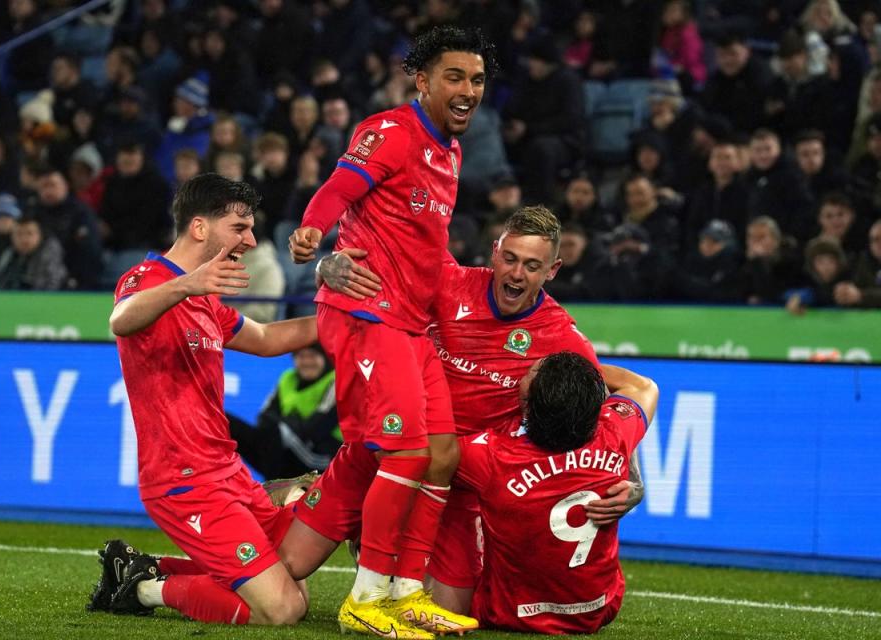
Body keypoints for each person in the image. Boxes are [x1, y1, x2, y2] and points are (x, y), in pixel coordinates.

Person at [283, 206, 644, 615]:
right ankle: (296, 496)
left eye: (531, 265)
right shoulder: (445, 280)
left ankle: (380, 536)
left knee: (446, 611)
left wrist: (632, 481)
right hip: (386, 452)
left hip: (456, 485)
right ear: (494, 252)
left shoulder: (562, 339)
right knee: (291, 566)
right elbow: (362, 264)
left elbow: (594, 413)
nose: (516, 274)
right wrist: (327, 267)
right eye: (509, 259)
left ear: (552, 270)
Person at [287, 25, 497, 638]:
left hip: (411, 323)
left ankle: (407, 592)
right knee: (404, 451)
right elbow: (341, 187)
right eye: (454, 77)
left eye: (477, 80)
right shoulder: (391, 132)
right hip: (366, 313)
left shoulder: (450, 152)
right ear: (423, 80)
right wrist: (312, 232)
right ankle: (366, 596)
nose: (467, 90)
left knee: (441, 455)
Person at [86, 174, 317, 627]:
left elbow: (269, 338)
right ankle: (144, 590)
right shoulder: (147, 279)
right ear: (198, 228)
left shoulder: (207, 299)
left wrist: (353, 318)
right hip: (182, 480)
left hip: (227, 474)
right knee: (282, 609)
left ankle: (142, 569)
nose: (250, 240)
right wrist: (185, 285)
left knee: (294, 578)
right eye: (239, 227)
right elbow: (120, 320)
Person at [457, 354, 657, 634]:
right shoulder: (613, 433)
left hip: (504, 614)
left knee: (452, 503)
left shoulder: (491, 455)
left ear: (530, 403)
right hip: (597, 610)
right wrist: (580, 376)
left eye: (530, 372)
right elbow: (643, 387)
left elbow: (423, 457)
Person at [229, 342, 340, 479]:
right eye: (301, 356)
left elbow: (319, 426)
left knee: (275, 432)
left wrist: (285, 425)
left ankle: (272, 491)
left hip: (322, 456)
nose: (307, 362)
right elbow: (264, 417)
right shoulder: (288, 378)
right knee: (227, 423)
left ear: (324, 357)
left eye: (312, 356)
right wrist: (287, 424)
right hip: (284, 448)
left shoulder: (335, 380)